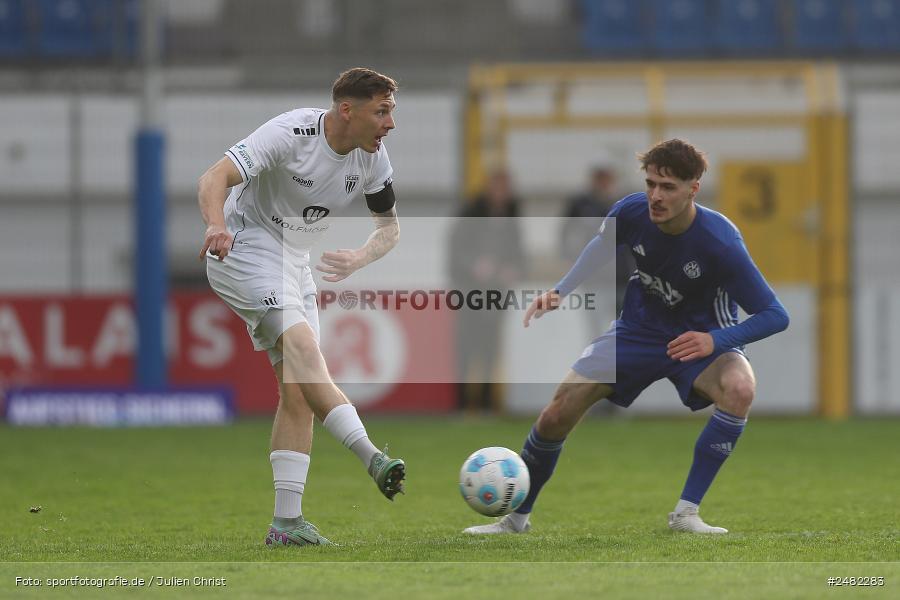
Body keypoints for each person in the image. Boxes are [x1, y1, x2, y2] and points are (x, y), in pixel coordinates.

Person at [463, 139, 789, 535]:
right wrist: (561, 290)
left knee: (740, 389)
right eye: (651, 184)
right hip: (638, 331)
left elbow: (776, 315)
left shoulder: (721, 243)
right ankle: (515, 519)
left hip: (699, 339)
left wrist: (715, 341)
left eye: (668, 187)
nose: (656, 196)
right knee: (556, 413)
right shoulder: (631, 211)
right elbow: (602, 245)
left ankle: (686, 513)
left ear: (693, 189)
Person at [198, 68, 406, 547]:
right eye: (382, 111)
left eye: (391, 111)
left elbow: (390, 229)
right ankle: (372, 457)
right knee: (305, 353)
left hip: (295, 262)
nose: (390, 124)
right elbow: (214, 176)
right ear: (346, 110)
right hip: (245, 248)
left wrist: (359, 257)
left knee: (298, 391)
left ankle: (286, 524)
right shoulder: (291, 134)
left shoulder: (373, 158)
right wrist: (215, 225)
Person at [447, 169, 526, 413]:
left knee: (491, 347)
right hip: (469, 291)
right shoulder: (471, 211)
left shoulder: (512, 215)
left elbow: (519, 253)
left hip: (497, 292)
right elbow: (456, 250)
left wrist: (513, 269)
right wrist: (474, 266)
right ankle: (462, 403)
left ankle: (487, 403)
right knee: (467, 346)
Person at [559, 165, 635, 316]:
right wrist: (569, 257)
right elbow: (566, 231)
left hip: (621, 274)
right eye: (600, 179)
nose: (603, 183)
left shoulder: (623, 203)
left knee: (621, 320)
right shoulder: (581, 203)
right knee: (596, 321)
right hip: (594, 274)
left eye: (607, 179)